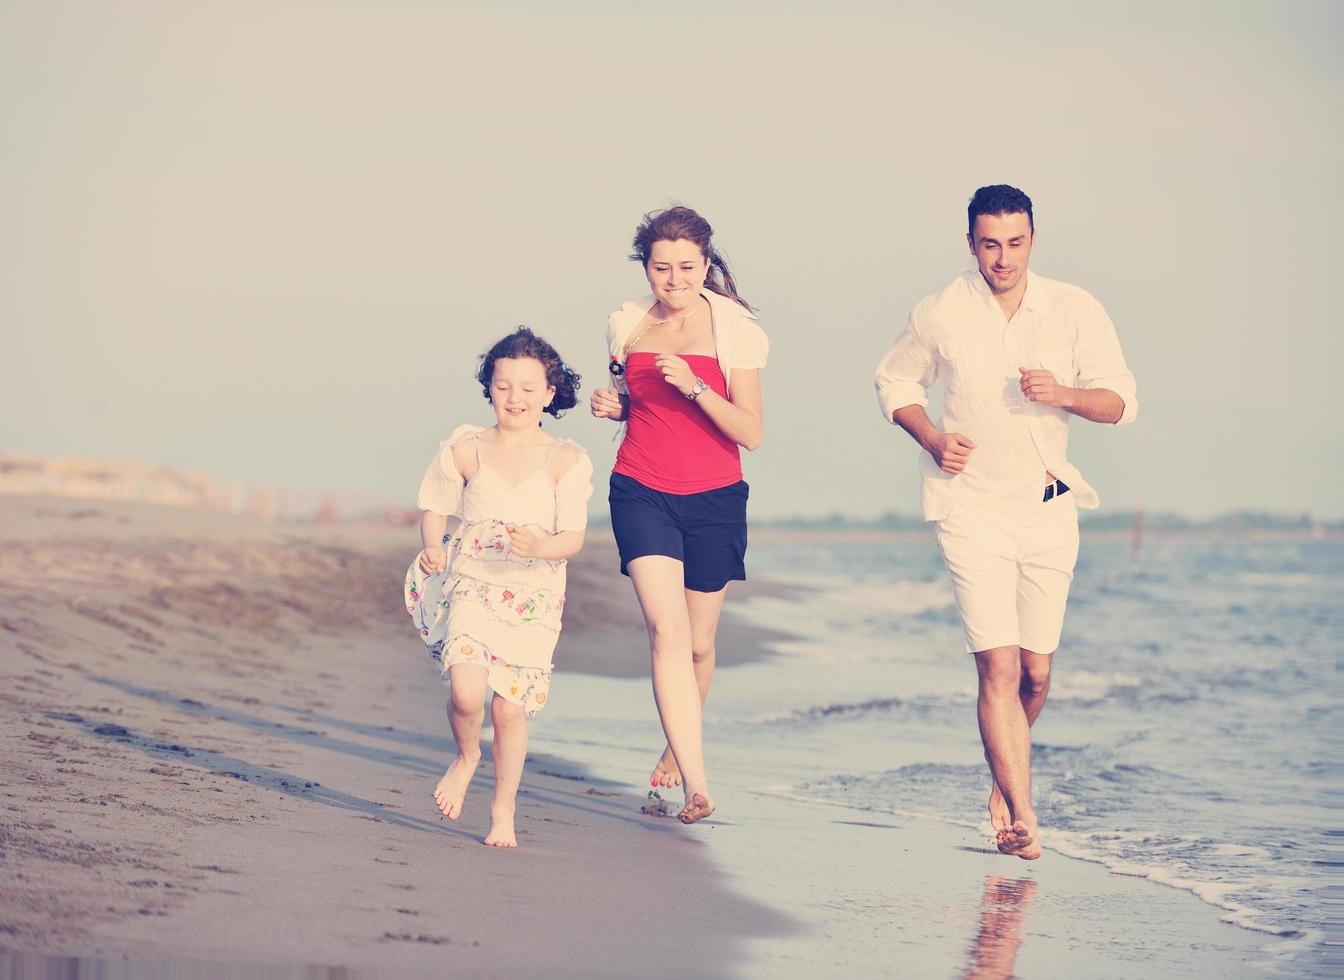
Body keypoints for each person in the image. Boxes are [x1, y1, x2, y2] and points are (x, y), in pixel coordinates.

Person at [874, 185, 1137, 859]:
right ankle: (1021, 811)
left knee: (1036, 674)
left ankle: (1005, 775)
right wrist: (932, 437)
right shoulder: (940, 312)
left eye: (1015, 243)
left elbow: (1120, 402)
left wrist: (1064, 394)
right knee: (997, 664)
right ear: (971, 244)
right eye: (989, 244)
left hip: (1049, 509)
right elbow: (894, 381)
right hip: (969, 509)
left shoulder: (1074, 308)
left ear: (1033, 240)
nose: (1003, 258)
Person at [589, 205, 767, 825]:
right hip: (641, 489)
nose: (674, 280)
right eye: (661, 268)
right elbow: (636, 403)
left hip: (715, 497)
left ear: (706, 265)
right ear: (647, 267)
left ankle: (676, 741)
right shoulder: (627, 323)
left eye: (687, 268)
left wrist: (696, 388)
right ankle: (698, 782)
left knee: (697, 644)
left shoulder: (734, 329)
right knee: (666, 633)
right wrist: (618, 407)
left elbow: (751, 431)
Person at [405, 327, 593, 848]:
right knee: (467, 693)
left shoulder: (566, 460)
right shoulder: (467, 449)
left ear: (550, 394)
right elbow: (434, 505)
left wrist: (540, 548)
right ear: (489, 387)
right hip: (473, 582)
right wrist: (434, 545)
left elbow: (573, 537)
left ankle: (503, 810)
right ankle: (467, 756)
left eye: (528, 388)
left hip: (533, 593)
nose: (515, 397)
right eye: (504, 385)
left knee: (508, 710)